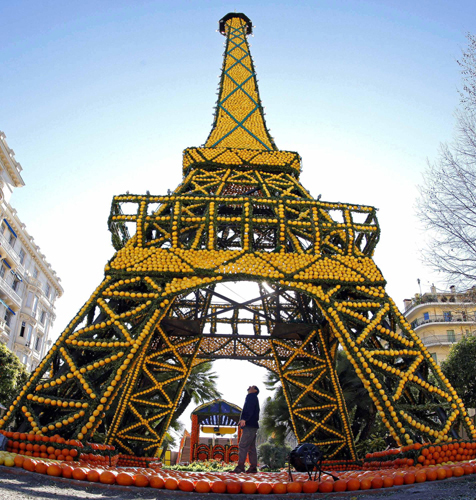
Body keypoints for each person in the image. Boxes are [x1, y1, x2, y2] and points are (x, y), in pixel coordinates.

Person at [232, 385, 260, 473]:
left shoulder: (251, 397)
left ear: (255, 390)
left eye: (252, 386)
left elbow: (249, 409)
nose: (249, 386)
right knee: (251, 447)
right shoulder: (254, 397)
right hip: (253, 425)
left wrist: (245, 419)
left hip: (250, 425)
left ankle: (240, 467)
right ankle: (253, 467)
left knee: (243, 445)